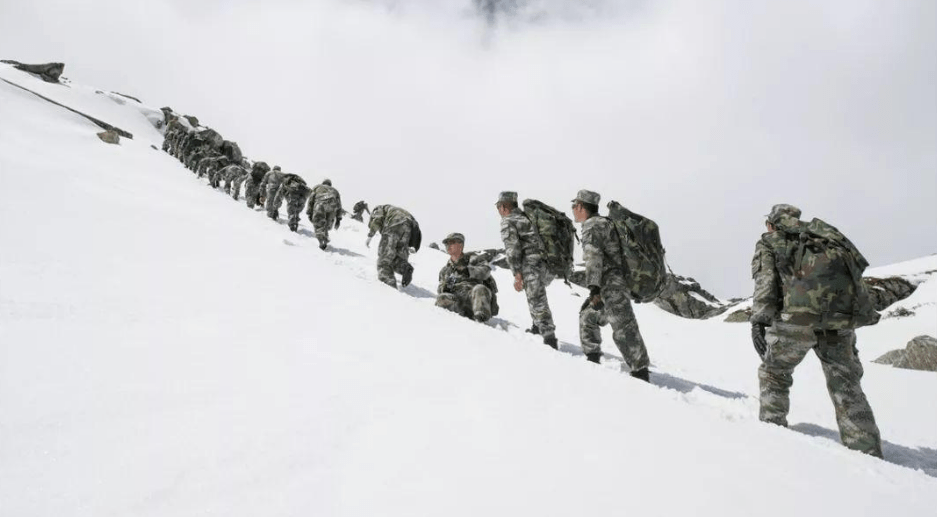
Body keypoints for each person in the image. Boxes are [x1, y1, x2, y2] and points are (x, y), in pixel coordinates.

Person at [751, 203, 883, 457]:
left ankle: (771, 434)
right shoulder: (825, 234)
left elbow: (765, 282)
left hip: (796, 321)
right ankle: (866, 450)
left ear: (771, 223)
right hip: (839, 321)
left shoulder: (770, 240)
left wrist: (759, 321)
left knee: (774, 372)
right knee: (846, 383)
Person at [571, 190, 650, 381]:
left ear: (582, 207)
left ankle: (641, 374)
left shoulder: (592, 226)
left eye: (575, 206)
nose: (573, 210)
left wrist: (594, 289)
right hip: (615, 283)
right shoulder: (606, 223)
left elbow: (593, 258)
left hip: (611, 286)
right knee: (588, 317)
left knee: (624, 327)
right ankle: (593, 362)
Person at [495, 191, 557, 349]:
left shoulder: (508, 221)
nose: (498, 210)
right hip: (546, 264)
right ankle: (537, 328)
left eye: (498, 206)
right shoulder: (527, 217)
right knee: (534, 295)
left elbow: (512, 249)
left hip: (530, 264)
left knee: (537, 299)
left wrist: (517, 274)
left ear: (504, 207)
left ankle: (550, 339)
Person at [436, 233, 496, 322]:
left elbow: (486, 271)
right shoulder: (445, 270)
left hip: (473, 297)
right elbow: (440, 288)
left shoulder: (474, 259)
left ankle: (481, 321)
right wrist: (444, 287)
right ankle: (452, 320)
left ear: (460, 245)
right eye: (446, 243)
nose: (448, 245)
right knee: (442, 297)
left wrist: (468, 270)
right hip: (456, 300)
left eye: (452, 242)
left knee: (480, 289)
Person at [366, 204, 417, 288]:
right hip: (408, 228)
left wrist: (370, 235)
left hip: (394, 225)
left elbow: (377, 219)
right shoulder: (396, 209)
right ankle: (404, 267)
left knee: (384, 259)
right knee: (394, 257)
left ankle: (388, 286)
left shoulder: (379, 208)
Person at [306, 179, 343, 249]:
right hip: (332, 207)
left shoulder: (317, 187)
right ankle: (325, 238)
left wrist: (309, 212)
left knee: (319, 225)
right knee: (326, 225)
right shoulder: (335, 191)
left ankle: (321, 241)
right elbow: (339, 205)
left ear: (323, 183)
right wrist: (338, 219)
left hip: (320, 205)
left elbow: (311, 200)